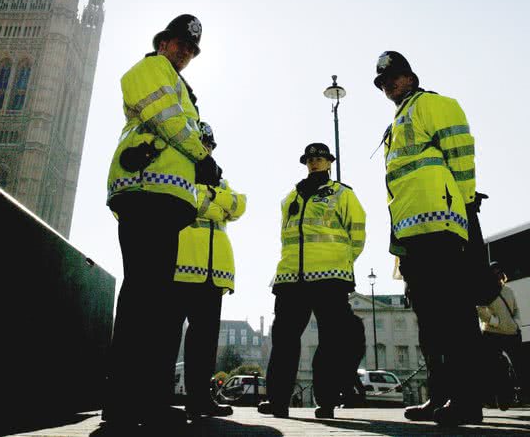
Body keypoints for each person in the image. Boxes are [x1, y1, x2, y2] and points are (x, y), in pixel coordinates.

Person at [102, 14, 221, 428]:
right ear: (164, 42)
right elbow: (168, 121)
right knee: (142, 298)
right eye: (180, 44)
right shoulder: (151, 69)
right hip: (145, 189)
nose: (185, 53)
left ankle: (144, 397)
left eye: (191, 49)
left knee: (153, 300)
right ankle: (122, 399)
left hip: (165, 197)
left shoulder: (180, 85)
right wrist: (203, 157)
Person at [373, 50, 485, 426]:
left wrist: (467, 206)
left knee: (453, 315)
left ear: (410, 77)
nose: (388, 85)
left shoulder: (434, 105)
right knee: (430, 321)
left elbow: (461, 155)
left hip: (441, 226)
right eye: (383, 82)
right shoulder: (398, 120)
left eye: (393, 78)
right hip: (412, 234)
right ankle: (439, 397)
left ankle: (467, 399)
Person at [257, 143, 366, 419]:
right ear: (305, 163)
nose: (315, 162)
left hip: (330, 277)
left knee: (331, 340)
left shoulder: (343, 194)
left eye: (320, 158)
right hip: (291, 276)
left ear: (330, 162)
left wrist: (343, 262)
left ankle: (327, 400)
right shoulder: (289, 197)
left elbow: (357, 233)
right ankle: (278, 400)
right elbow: (286, 237)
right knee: (283, 339)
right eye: (310, 159)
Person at [171, 121, 246, 420]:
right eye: (200, 144)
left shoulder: (220, 180)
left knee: (205, 342)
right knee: (165, 338)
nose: (205, 150)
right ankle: (155, 398)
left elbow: (240, 205)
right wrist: (214, 199)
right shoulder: (177, 171)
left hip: (214, 270)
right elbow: (190, 201)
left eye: (209, 145)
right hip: (179, 264)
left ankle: (200, 399)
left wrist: (212, 197)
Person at [477, 261, 523, 410]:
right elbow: (479, 308)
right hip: (492, 334)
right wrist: (493, 321)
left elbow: (516, 309)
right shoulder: (485, 290)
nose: (497, 275)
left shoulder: (508, 290)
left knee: (520, 366)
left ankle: (520, 394)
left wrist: (517, 324)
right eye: (494, 272)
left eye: (499, 272)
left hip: (512, 332)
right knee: (495, 368)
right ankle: (502, 398)